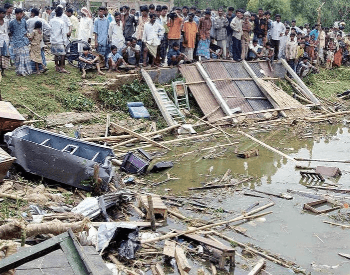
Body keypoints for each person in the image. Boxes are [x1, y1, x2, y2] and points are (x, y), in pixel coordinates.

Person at [9, 8, 32, 76]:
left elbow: (25, 29)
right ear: (16, 14)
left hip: (24, 41)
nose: (20, 15)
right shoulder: (12, 22)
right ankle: (19, 71)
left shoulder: (24, 21)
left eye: (21, 14)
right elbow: (11, 31)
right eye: (18, 14)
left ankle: (26, 70)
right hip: (16, 42)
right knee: (18, 57)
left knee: (25, 56)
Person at [50, 7, 69, 73]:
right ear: (61, 14)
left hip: (53, 40)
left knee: (56, 54)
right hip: (59, 40)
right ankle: (61, 67)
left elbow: (50, 30)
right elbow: (64, 33)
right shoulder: (62, 22)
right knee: (62, 54)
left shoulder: (51, 20)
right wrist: (65, 42)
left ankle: (56, 66)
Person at [0, 8, 10, 76]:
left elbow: (8, 30)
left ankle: (3, 71)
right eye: (2, 13)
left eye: (4, 13)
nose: (3, 15)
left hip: (5, 40)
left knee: (4, 55)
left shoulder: (6, 21)